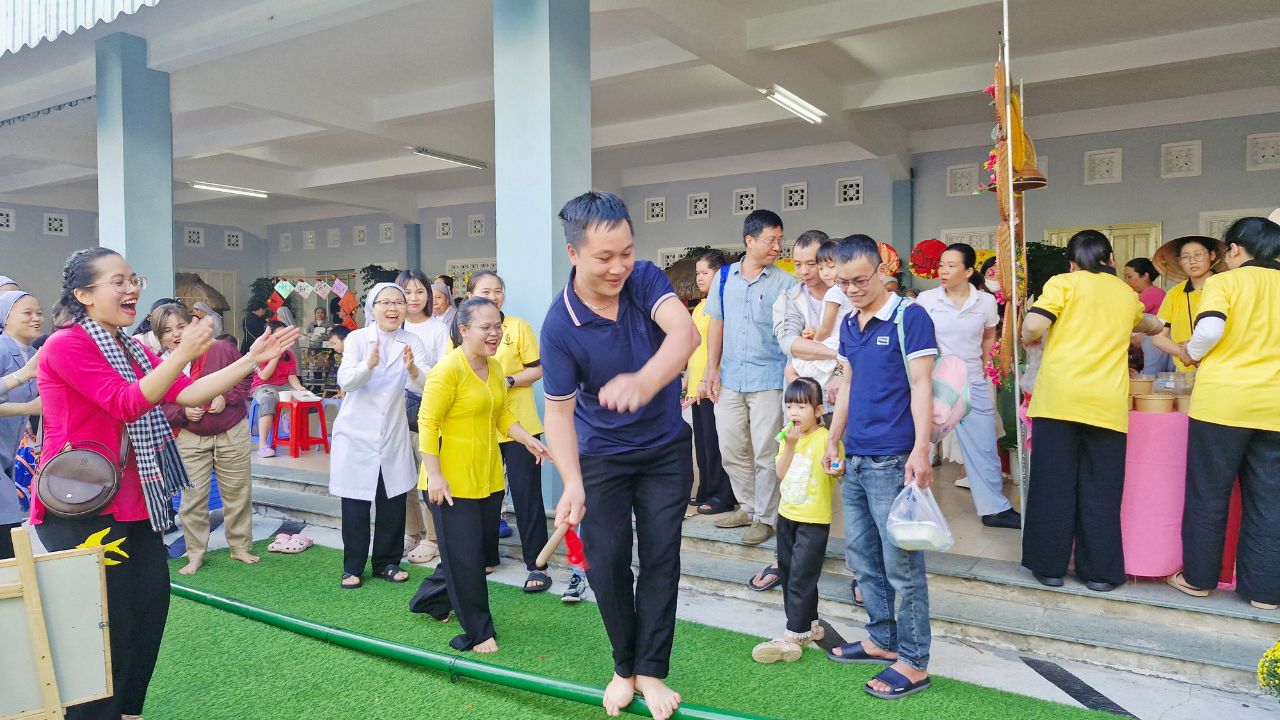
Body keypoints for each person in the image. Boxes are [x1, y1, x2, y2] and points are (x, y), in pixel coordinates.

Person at [33, 247, 297, 720]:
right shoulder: (66, 345)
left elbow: (187, 392)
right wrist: (181, 356)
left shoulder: (130, 348)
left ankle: (128, 711)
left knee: (147, 615)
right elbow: (126, 403)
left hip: (136, 502)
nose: (131, 289)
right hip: (83, 508)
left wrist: (250, 361)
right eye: (118, 281)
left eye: (133, 279)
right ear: (84, 294)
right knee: (103, 629)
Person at [540, 192, 700, 720]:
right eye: (605, 257)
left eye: (626, 253)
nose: (618, 267)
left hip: (664, 450)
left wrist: (645, 382)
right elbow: (558, 413)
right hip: (602, 457)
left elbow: (686, 333)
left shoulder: (645, 279)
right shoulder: (560, 325)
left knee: (661, 558)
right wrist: (571, 481)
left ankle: (650, 670)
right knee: (606, 562)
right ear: (573, 254)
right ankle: (622, 665)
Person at [821, 235, 937, 700]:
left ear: (882, 271)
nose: (851, 290)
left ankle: (914, 661)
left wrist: (921, 449)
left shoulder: (910, 316)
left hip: (893, 458)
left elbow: (922, 384)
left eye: (859, 280)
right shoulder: (850, 323)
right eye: (843, 283)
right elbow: (848, 381)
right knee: (864, 557)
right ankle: (883, 638)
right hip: (856, 456)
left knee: (901, 564)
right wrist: (833, 436)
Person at [1020, 231, 1165, 592]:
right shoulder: (1125, 293)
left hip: (1060, 399)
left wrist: (1028, 336)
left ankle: (1050, 568)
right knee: (1102, 490)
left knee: (1053, 484)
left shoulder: (1064, 283)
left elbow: (1034, 325)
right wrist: (1158, 325)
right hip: (1106, 403)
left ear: (1072, 262)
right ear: (1111, 259)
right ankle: (1099, 573)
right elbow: (1147, 323)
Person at [409, 297, 549, 651]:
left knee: (466, 553)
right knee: (467, 558)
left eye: (497, 326)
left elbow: (502, 414)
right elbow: (428, 422)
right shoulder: (448, 370)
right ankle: (479, 631)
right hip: (449, 483)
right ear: (464, 329)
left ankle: (429, 599)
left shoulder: (496, 368)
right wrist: (435, 475)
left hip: (487, 479)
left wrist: (528, 440)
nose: (494, 333)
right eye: (485, 327)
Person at [1167, 217, 1280, 610]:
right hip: (1274, 407)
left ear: (1233, 249)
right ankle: (1265, 591)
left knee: (1208, 493)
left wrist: (1191, 352)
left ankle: (1198, 579)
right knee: (1270, 499)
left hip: (1222, 404)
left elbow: (1210, 330)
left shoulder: (1225, 283)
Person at [704, 209, 798, 546]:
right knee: (730, 448)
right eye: (771, 240)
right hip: (730, 377)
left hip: (769, 379)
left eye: (780, 240)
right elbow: (716, 323)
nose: (778, 247)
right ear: (750, 240)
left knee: (765, 452)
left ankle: (766, 517)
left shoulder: (787, 283)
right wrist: (710, 369)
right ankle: (748, 506)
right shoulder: (724, 278)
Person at [330, 283, 426, 589]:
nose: (393, 308)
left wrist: (413, 371)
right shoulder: (358, 339)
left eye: (398, 302)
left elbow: (428, 386)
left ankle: (387, 563)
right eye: (385, 302)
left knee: (393, 501)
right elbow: (346, 380)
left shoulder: (412, 341)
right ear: (373, 308)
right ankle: (352, 567)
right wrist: (367, 365)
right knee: (355, 504)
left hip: (393, 433)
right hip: (356, 433)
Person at [917, 244, 1020, 529]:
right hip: (935, 384)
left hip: (972, 382)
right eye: (941, 265)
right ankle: (912, 505)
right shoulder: (926, 300)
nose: (943, 270)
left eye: (951, 265)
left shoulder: (984, 302)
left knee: (984, 445)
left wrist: (985, 366)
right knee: (919, 443)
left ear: (968, 271)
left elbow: (989, 335)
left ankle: (994, 509)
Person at [153, 304, 255, 576]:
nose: (176, 334)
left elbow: (246, 377)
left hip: (231, 428)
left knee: (237, 491)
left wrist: (226, 396)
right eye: (167, 331)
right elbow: (154, 403)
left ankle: (240, 546)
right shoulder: (159, 365)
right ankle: (195, 554)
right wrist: (182, 411)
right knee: (192, 499)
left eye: (181, 326)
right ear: (160, 337)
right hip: (189, 434)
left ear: (193, 326)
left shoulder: (220, 348)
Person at [468, 271, 552, 592]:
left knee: (527, 496)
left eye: (498, 290)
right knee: (486, 495)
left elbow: (538, 368)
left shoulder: (517, 328)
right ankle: (487, 556)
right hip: (481, 426)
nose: (493, 296)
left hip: (521, 425)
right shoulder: (463, 332)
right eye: (485, 291)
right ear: (470, 295)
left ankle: (537, 564)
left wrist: (509, 381)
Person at [751, 377, 841, 664]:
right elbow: (780, 473)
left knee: (803, 575)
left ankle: (792, 636)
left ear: (818, 410)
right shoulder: (786, 437)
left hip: (813, 520)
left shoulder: (827, 439)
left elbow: (837, 469)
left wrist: (838, 469)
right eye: (789, 406)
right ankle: (809, 626)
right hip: (787, 516)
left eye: (801, 407)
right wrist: (789, 445)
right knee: (790, 573)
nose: (793, 412)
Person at [397, 269, 453, 565]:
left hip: (425, 412)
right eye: (407, 292)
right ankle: (412, 532)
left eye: (420, 291)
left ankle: (433, 538)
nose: (413, 298)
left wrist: (415, 372)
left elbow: (442, 378)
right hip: (394, 413)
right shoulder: (392, 328)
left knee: (427, 476)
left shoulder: (438, 329)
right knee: (403, 476)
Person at [684, 252, 736, 517]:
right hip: (696, 386)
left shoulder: (725, 304)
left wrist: (709, 377)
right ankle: (706, 489)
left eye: (704, 272)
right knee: (703, 443)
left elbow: (722, 346)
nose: (699, 278)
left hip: (714, 385)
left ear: (719, 273)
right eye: (697, 273)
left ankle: (723, 495)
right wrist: (687, 382)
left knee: (717, 443)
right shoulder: (701, 306)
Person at [0, 290, 42, 560]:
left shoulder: (34, 353)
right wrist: (27, 409)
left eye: (39, 313)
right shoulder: (2, 349)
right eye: (27, 313)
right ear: (5, 318)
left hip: (8, 454)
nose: (36, 318)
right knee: (8, 529)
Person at [1150, 235, 1223, 372]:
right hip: (1185, 374)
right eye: (1185, 257)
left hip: (1221, 370)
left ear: (1212, 255)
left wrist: (1193, 353)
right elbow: (1158, 338)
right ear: (1179, 261)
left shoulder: (1226, 287)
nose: (1192, 261)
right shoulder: (1174, 294)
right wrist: (1188, 354)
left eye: (1198, 254)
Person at [250, 321, 308, 458]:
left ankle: (288, 421)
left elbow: (292, 377)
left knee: (302, 397)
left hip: (284, 386)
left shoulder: (289, 355)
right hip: (263, 385)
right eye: (279, 335)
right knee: (269, 399)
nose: (283, 338)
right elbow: (264, 376)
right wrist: (275, 356)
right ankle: (263, 445)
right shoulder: (260, 353)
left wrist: (300, 388)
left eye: (285, 334)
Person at [1123, 257, 1171, 374]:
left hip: (1155, 340)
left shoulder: (1152, 293)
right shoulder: (1152, 292)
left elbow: (1128, 316)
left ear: (1145, 276)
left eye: (1129, 277)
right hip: (1153, 342)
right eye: (1125, 277)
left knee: (1150, 373)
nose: (1126, 281)